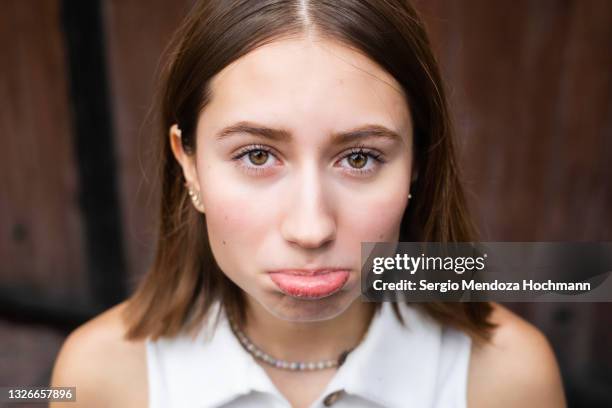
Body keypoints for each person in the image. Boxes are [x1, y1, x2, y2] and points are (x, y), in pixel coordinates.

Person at [50, 1, 566, 407]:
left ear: (417, 163)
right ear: (188, 163)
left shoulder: (507, 376)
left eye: (360, 158)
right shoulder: (99, 376)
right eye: (257, 154)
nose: (311, 227)